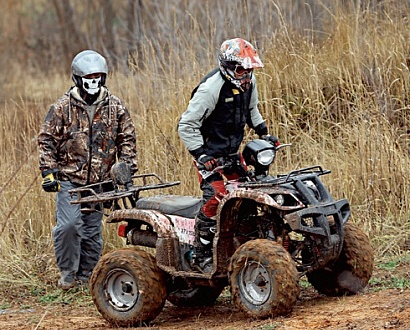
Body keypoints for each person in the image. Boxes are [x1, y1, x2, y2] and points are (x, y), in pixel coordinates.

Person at [38, 50, 138, 289]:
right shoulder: (63, 107)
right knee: (69, 226)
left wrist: (125, 171)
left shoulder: (115, 107)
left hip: (101, 181)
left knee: (92, 229)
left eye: (98, 76)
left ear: (104, 78)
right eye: (88, 77)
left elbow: (128, 140)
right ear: (77, 78)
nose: (93, 81)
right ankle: (68, 273)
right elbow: (46, 140)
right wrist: (49, 171)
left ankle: (87, 276)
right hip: (70, 179)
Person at [177, 38, 279, 272]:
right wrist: (201, 154)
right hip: (209, 154)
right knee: (216, 196)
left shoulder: (249, 84)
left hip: (232, 152)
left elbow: (252, 110)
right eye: (241, 69)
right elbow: (186, 125)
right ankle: (199, 252)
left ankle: (244, 242)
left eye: (250, 69)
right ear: (228, 66)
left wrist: (265, 133)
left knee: (248, 193)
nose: (246, 75)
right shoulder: (211, 89)